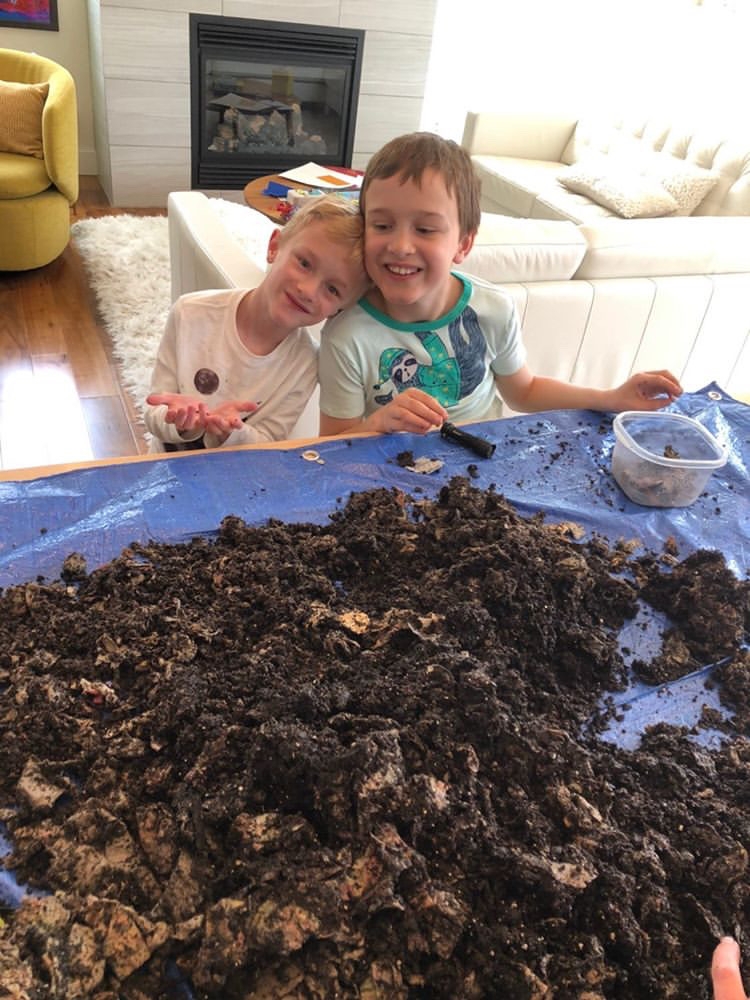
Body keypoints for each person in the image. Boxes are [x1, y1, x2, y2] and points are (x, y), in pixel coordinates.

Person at [318, 132, 682, 437]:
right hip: (385, 481)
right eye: (382, 226)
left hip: (481, 475)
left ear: (464, 244)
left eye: (425, 229)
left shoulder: (493, 308)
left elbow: (524, 391)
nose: (399, 246)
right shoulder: (345, 335)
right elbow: (332, 446)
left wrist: (610, 398)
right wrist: (379, 423)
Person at [145, 195, 369, 452]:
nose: (308, 290)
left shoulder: (307, 363)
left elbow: (269, 442)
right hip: (163, 470)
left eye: (332, 289)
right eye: (304, 263)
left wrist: (232, 432)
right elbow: (154, 409)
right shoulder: (189, 313)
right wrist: (181, 420)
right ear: (274, 247)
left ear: (339, 310)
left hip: (237, 481)